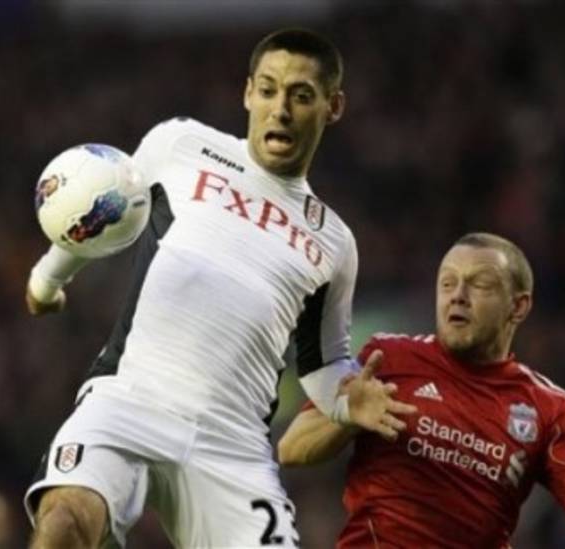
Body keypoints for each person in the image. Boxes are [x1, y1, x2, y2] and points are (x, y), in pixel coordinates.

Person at [23, 28, 415, 548]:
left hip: (233, 446)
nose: (280, 110)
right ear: (248, 92)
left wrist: (346, 402)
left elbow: (323, 365)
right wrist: (46, 279)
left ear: (333, 106)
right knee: (65, 522)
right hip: (129, 400)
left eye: (301, 96)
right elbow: (106, 202)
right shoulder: (182, 144)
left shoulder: (334, 241)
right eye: (269, 90)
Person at [278, 232, 565, 548]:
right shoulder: (388, 358)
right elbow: (291, 448)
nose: (458, 296)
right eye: (447, 283)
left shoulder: (550, 408)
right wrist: (346, 415)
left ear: (518, 306)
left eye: (480, 285)